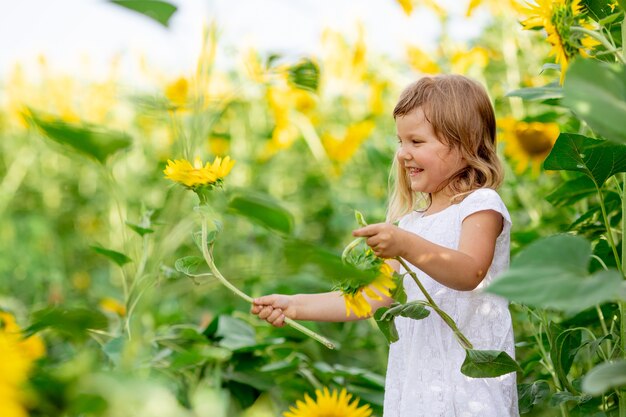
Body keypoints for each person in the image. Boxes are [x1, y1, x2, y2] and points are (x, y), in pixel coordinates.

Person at [251, 74, 518, 417]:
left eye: (416, 141)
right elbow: (370, 299)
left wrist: (405, 245)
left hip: (470, 391)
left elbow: (470, 272)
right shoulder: (410, 223)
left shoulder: (480, 204)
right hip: (418, 390)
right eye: (400, 141)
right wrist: (295, 306)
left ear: (464, 144)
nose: (403, 154)